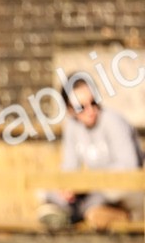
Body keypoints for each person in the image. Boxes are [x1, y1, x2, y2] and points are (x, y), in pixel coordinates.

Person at [37, 76, 143, 231]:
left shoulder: (113, 121)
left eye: (93, 102)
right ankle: (85, 212)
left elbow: (129, 168)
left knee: (109, 194)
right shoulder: (72, 128)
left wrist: (87, 184)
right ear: (69, 110)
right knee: (46, 191)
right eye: (81, 107)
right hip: (96, 189)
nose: (91, 110)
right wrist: (68, 187)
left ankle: (113, 215)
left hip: (124, 190)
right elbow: (70, 166)